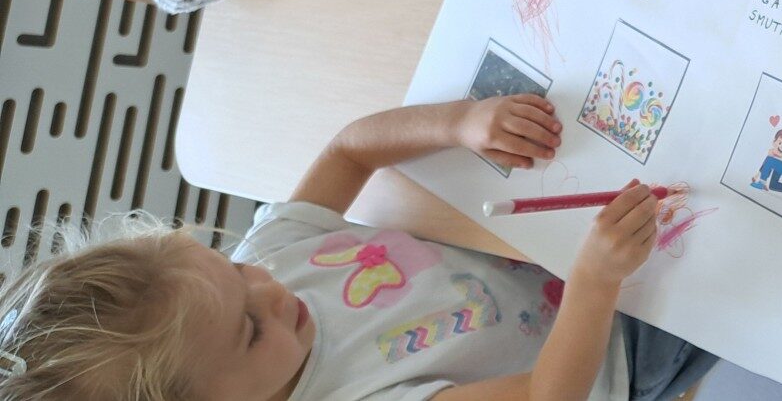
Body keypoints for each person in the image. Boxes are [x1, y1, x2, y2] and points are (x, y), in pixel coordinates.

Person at [0, 95, 714, 400]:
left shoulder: (268, 269)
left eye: (234, 269)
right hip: (617, 353)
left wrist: (460, 123)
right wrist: (595, 283)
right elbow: (543, 396)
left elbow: (347, 152)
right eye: (250, 329)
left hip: (554, 259)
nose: (270, 289)